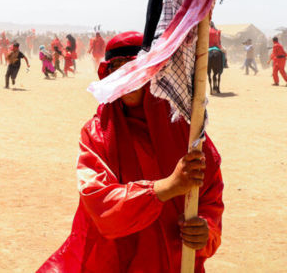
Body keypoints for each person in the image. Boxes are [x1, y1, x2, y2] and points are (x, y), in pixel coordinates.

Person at [38, 32, 224, 272]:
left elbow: (210, 196)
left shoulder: (187, 132)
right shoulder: (97, 133)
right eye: (116, 66)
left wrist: (205, 231)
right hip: (113, 259)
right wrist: (165, 188)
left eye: (134, 66)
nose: (126, 75)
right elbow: (99, 202)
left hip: (174, 260)